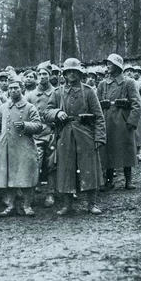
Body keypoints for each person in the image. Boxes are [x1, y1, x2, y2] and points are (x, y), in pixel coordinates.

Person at [44, 58, 106, 215]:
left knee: (89, 168)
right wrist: (57, 113)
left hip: (85, 133)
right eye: (68, 72)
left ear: (80, 73)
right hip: (65, 134)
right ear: (64, 74)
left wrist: (99, 137)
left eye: (75, 71)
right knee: (66, 168)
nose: (71, 74)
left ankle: (91, 203)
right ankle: (67, 204)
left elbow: (99, 116)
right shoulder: (58, 92)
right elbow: (46, 112)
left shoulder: (88, 91)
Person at [0, 77, 42, 217]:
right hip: (6, 148)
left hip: (24, 147)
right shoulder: (3, 108)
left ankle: (27, 205)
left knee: (26, 177)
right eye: (11, 88)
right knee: (9, 178)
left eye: (16, 88)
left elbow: (39, 125)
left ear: (22, 89)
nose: (13, 91)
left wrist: (25, 125)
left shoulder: (29, 107)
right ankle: (11, 205)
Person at [98, 54, 141, 190]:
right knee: (107, 151)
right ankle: (109, 180)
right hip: (106, 120)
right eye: (107, 64)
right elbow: (96, 104)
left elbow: (137, 104)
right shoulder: (102, 84)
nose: (108, 66)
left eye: (110, 64)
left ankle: (128, 180)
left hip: (123, 120)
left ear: (117, 65)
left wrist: (132, 121)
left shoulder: (128, 82)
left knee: (126, 149)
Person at [25, 64, 57, 206]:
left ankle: (50, 194)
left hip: (52, 133)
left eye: (45, 74)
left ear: (50, 75)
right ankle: (31, 194)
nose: (43, 76)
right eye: (40, 73)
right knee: (34, 163)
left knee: (52, 164)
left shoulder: (57, 93)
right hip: (36, 135)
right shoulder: (30, 96)